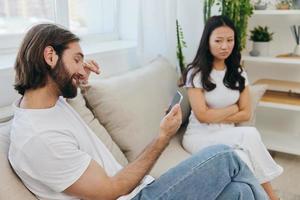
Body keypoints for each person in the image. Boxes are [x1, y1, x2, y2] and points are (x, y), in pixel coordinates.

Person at [8, 23, 268, 200]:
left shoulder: (45, 103)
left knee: (240, 191)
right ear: (50, 56)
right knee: (225, 155)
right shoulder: (39, 138)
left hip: (140, 190)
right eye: (77, 59)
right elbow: (112, 189)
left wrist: (76, 75)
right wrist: (163, 137)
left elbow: (62, 92)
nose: (82, 66)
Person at [182, 15, 283, 200]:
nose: (224, 46)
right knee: (250, 134)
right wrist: (232, 109)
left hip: (230, 134)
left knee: (242, 157)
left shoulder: (238, 72)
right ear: (207, 42)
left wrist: (219, 114)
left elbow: (246, 113)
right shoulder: (195, 73)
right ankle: (273, 197)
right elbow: (202, 116)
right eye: (218, 40)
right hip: (199, 135)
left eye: (230, 40)